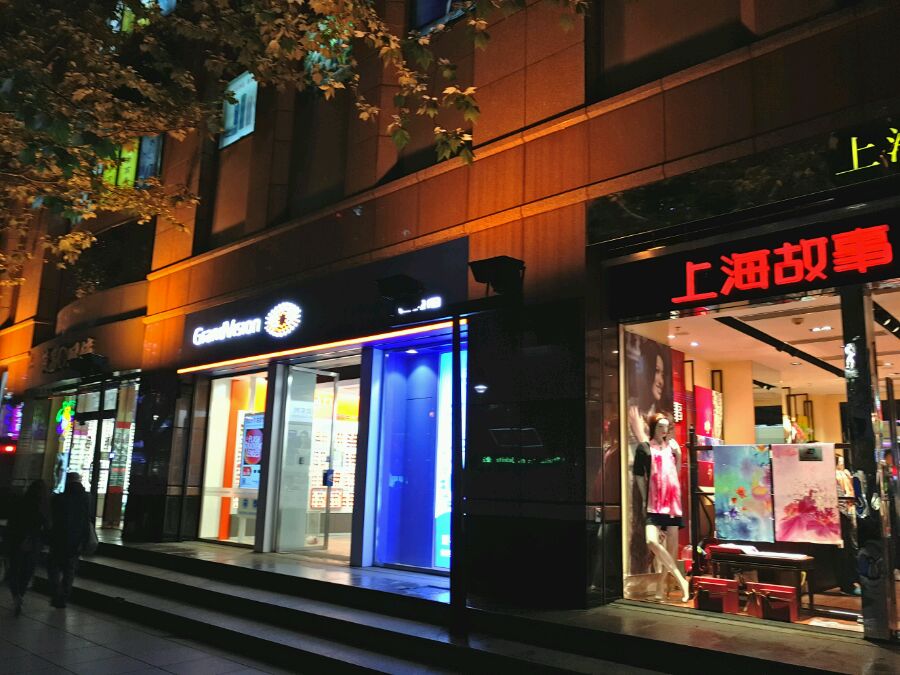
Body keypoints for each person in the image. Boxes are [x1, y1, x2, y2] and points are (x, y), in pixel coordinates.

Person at [635, 414, 690, 602]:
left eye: (666, 427)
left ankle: (660, 587)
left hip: (672, 502)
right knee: (651, 540)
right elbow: (639, 476)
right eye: (660, 426)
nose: (664, 430)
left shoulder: (671, 448)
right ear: (653, 427)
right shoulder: (644, 448)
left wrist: (679, 455)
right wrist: (644, 499)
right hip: (654, 502)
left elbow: (676, 474)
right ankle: (681, 580)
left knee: (672, 549)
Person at [4, 479, 50, 616]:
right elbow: (46, 526)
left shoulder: (20, 502)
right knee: (27, 571)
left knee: (14, 569)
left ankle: (15, 595)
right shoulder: (43, 506)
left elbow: (11, 523)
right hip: (34, 543)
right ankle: (21, 593)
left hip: (17, 541)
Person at [48, 472, 91, 608]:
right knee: (69, 569)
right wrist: (84, 539)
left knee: (54, 567)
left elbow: (52, 518)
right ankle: (64, 596)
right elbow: (87, 520)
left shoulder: (59, 498)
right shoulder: (86, 498)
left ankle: (56, 593)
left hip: (58, 538)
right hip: (76, 539)